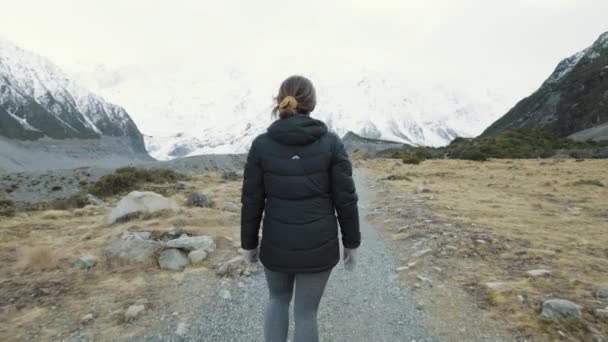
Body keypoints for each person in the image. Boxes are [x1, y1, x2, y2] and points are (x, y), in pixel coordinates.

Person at [240, 75, 361, 342]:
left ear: (280, 100)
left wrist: (249, 244)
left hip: (276, 242)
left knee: (277, 301)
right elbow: (346, 199)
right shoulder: (331, 143)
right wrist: (351, 242)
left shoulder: (262, 144)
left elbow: (251, 200)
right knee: (307, 314)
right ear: (312, 103)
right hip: (319, 245)